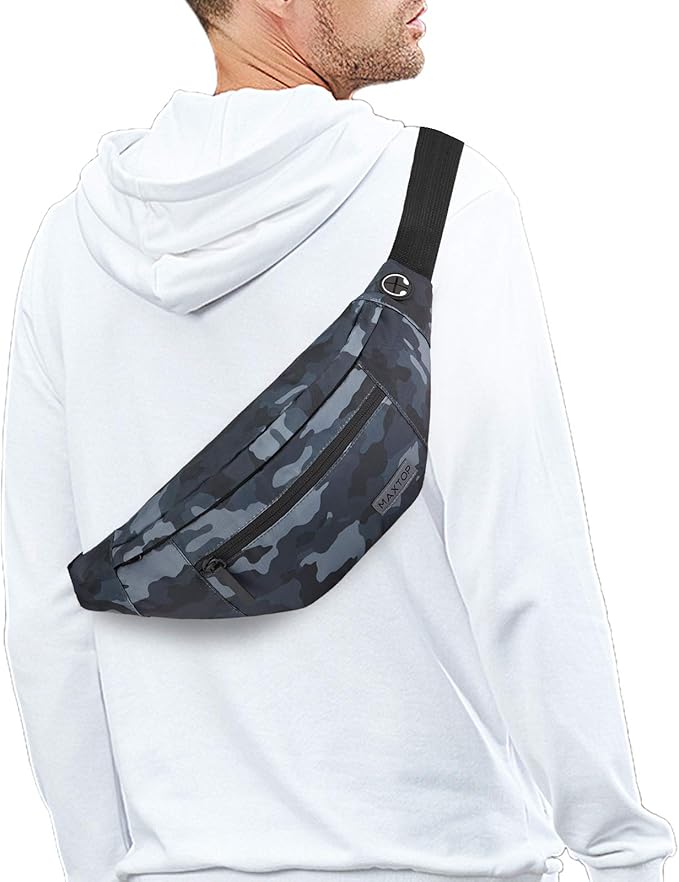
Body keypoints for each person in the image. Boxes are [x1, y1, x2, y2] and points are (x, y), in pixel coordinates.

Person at [1, 1, 675, 882]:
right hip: (442, 860)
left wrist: (101, 867)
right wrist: (624, 852)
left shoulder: (70, 242)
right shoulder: (437, 197)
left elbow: (44, 607)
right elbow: (523, 558)